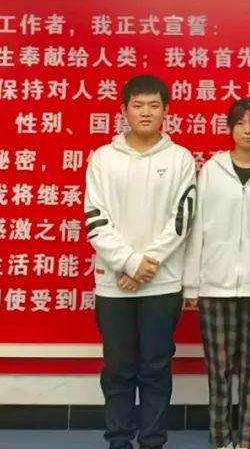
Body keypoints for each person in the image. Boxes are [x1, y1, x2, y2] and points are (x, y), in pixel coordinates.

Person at [84, 74, 197, 449]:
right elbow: (95, 218)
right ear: (124, 110)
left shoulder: (180, 159)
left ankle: (152, 442)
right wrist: (130, 263)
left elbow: (183, 218)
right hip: (113, 283)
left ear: (166, 110)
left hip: (162, 283)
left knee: (155, 369)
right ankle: (118, 441)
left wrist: (147, 264)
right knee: (118, 369)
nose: (146, 112)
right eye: (138, 105)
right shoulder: (103, 158)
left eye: (153, 105)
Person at [183, 98, 250, 449]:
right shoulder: (212, 171)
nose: (247, 130)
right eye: (240, 123)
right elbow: (197, 227)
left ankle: (247, 439)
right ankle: (220, 439)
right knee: (220, 370)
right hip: (215, 286)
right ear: (229, 129)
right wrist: (192, 284)